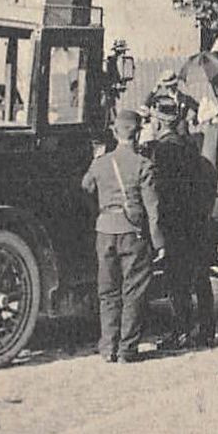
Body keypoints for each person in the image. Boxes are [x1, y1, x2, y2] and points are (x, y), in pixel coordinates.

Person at [83, 110, 166, 362]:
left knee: (107, 291)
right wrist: (158, 242)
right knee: (134, 291)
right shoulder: (143, 164)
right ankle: (127, 349)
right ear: (138, 132)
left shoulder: (100, 163)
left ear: (114, 132)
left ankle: (108, 347)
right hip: (133, 233)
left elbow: (86, 186)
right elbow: (153, 208)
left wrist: (96, 160)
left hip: (105, 230)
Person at [143, 96, 218, 350]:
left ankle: (181, 331)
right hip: (196, 221)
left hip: (175, 223)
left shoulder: (162, 151)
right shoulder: (190, 146)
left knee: (176, 280)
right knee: (200, 277)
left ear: (159, 120)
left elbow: (161, 190)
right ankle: (207, 331)